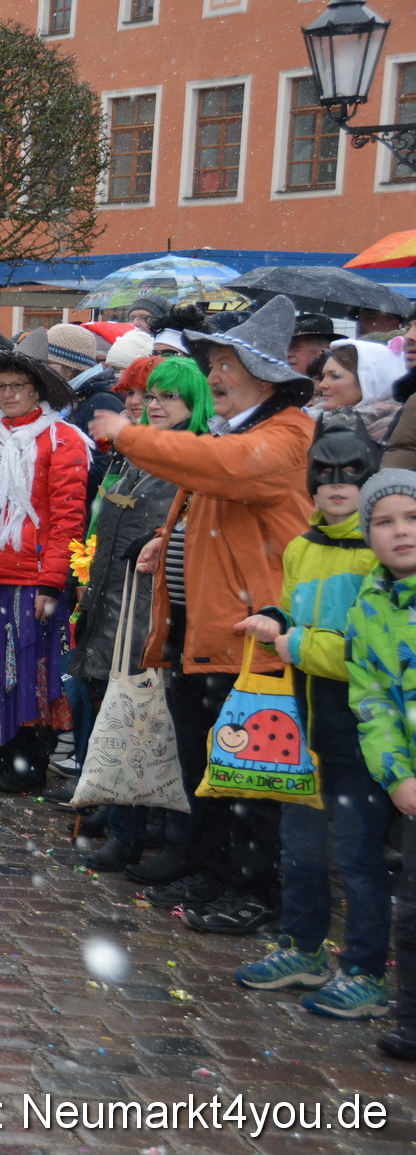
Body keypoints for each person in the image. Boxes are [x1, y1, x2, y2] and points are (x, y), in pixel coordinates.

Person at [88, 295, 315, 932]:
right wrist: (171, 535)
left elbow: (228, 472)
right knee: (211, 766)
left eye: (227, 364)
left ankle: (255, 891)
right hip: (202, 632)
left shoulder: (287, 434)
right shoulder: (239, 429)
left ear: (265, 375)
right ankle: (215, 872)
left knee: (250, 778)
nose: (213, 375)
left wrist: (130, 435)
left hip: (251, 634)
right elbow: (210, 493)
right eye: (212, 362)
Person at [232, 428, 391, 1018]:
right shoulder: (301, 547)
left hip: (360, 726)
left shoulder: (383, 554)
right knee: (299, 846)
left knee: (358, 855)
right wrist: (275, 619)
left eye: (351, 473)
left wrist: (293, 642)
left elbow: (367, 649)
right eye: (324, 474)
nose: (336, 485)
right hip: (303, 721)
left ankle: (366, 969)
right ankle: (302, 946)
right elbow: (297, 610)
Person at [70, 357, 206, 869]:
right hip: (114, 603)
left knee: (159, 723)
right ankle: (125, 829)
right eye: (151, 397)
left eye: (168, 397)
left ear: (194, 403)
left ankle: (162, 836)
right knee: (120, 713)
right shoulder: (133, 455)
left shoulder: (195, 455)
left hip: (161, 609)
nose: (154, 405)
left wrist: (158, 542)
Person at [0, 349, 88, 793]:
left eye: (17, 387)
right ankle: (1, 753)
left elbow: (68, 519)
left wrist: (52, 580)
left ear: (36, 392)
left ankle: (28, 763)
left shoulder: (62, 440)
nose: (8, 395)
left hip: (33, 579)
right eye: (2, 387)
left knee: (29, 672)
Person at [345, 470, 416, 1059]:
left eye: (412, 518)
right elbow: (371, 698)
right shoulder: (370, 602)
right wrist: (398, 773)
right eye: (385, 522)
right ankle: (412, 1016)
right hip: (412, 781)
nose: (401, 532)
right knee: (413, 908)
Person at [310, 339, 404, 444]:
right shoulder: (309, 419)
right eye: (323, 376)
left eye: (335, 376)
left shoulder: (398, 432)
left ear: (367, 384)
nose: (322, 384)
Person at [288, 313, 338, 379]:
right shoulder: (275, 386)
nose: (288, 354)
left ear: (324, 351)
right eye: (287, 347)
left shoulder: (338, 387)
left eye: (297, 347)